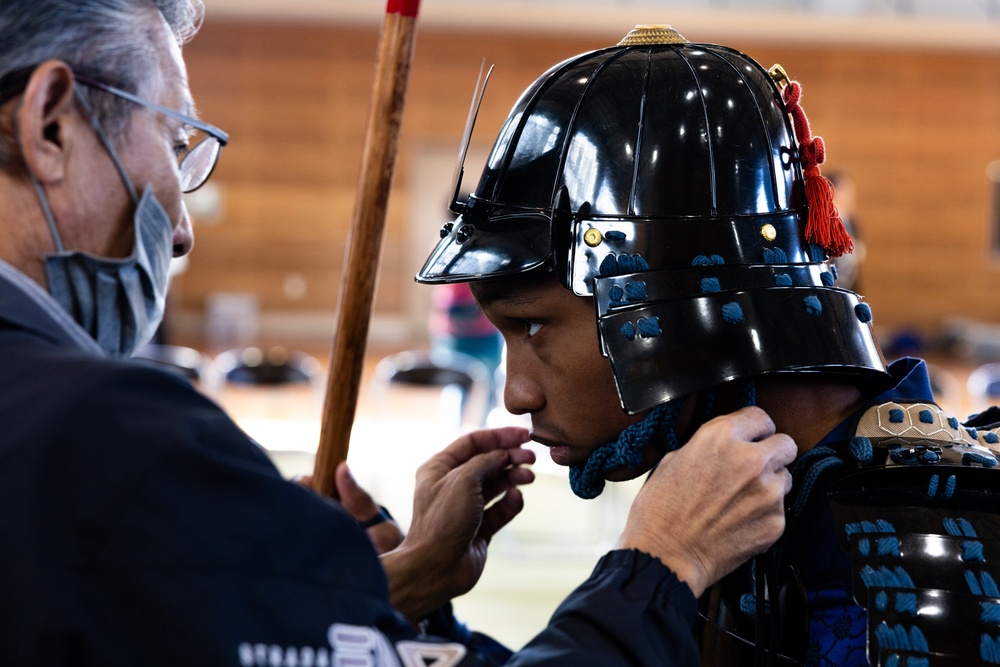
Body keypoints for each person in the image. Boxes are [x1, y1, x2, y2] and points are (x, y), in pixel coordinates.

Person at [0, 3, 798, 665]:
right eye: (178, 147)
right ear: (52, 124)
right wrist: (659, 566)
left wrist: (396, 586)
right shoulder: (103, 443)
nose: (180, 230)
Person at [417, 24, 1000, 667]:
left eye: (532, 327)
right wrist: (412, 603)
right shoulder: (726, 497)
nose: (516, 394)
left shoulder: (936, 543)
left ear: (665, 307)